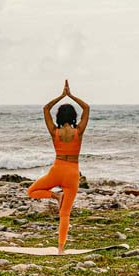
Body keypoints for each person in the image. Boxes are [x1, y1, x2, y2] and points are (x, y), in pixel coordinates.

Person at [27, 80, 90, 253]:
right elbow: (87, 108)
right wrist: (71, 95)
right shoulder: (79, 131)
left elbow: (46, 109)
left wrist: (61, 96)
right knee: (65, 214)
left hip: (57, 169)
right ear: (73, 117)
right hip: (72, 172)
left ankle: (56, 197)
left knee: (31, 191)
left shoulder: (55, 131)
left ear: (59, 117)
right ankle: (60, 249)